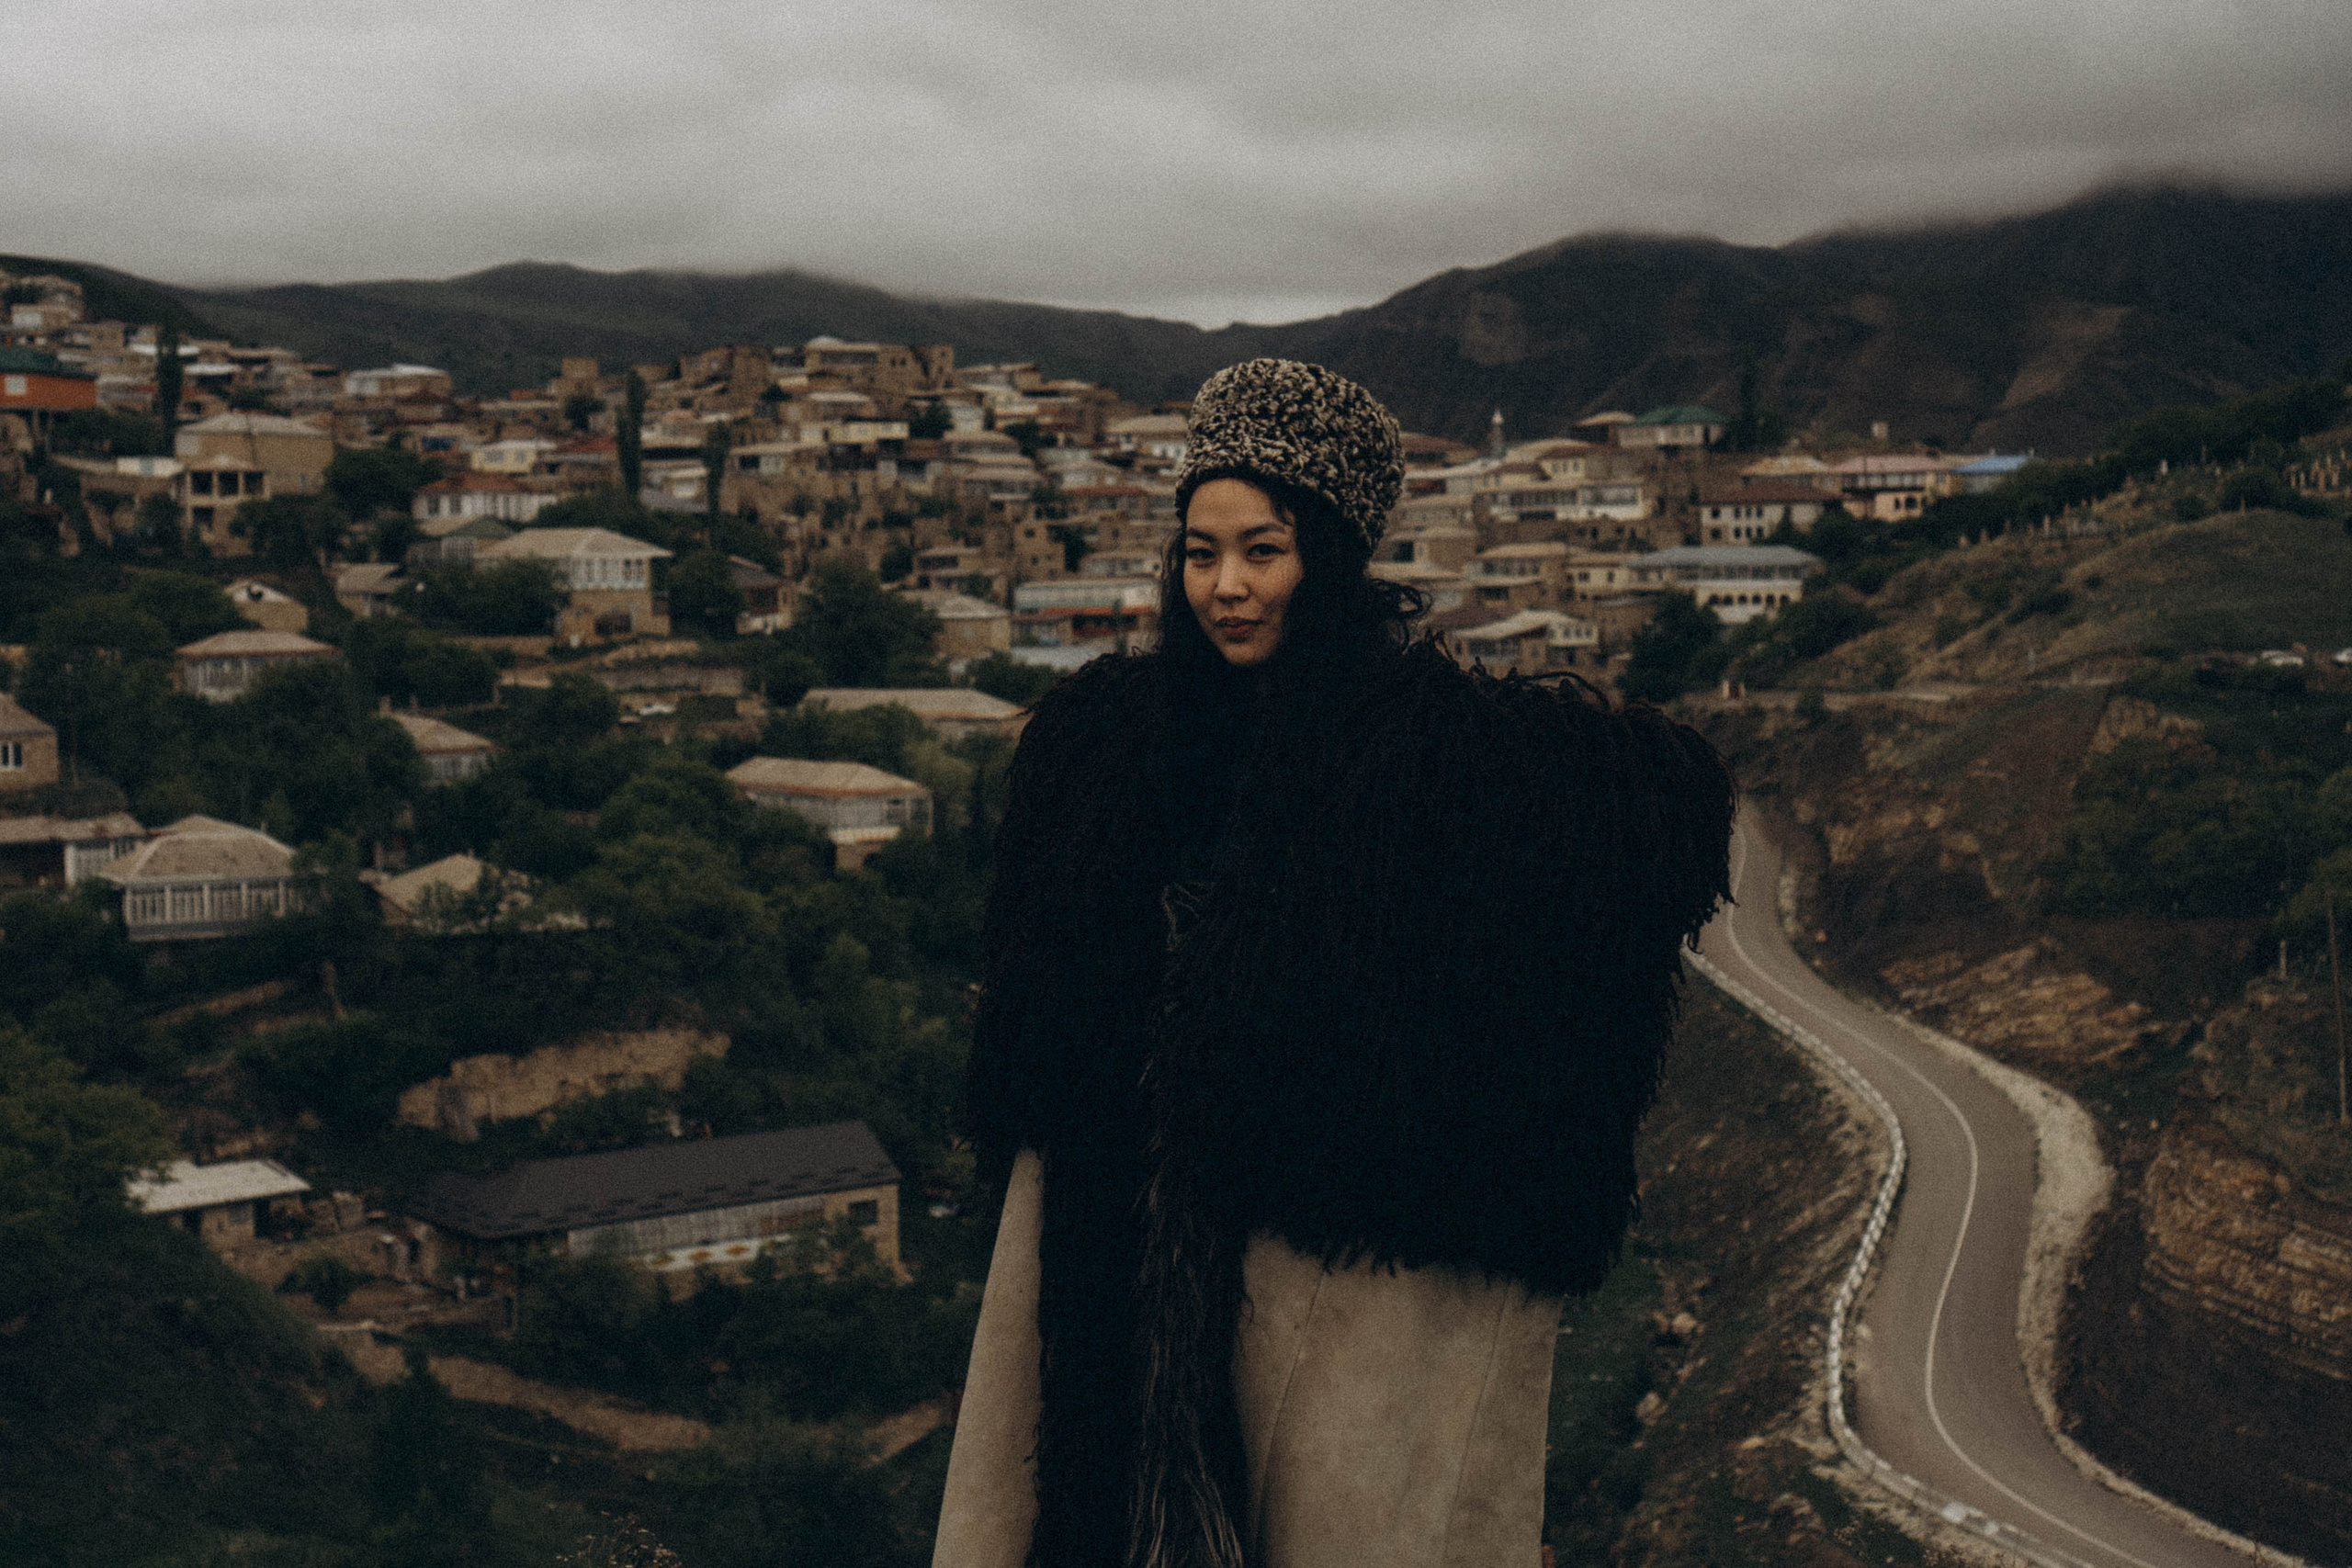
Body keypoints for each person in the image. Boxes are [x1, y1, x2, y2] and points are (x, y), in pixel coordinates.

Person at [933, 359, 1733, 1568]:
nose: (1227, 586)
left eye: (1265, 549)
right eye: (1202, 552)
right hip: (1108, 1243)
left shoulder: (1424, 757)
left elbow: (1638, 830)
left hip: (1299, 1259)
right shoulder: (1111, 749)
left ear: (1339, 553)